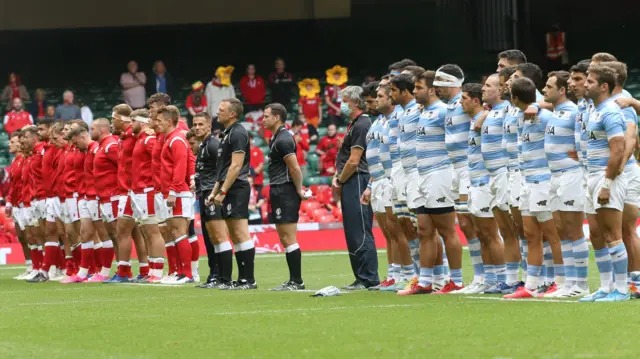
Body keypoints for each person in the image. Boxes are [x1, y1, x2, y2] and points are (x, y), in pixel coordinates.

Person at [397, 70, 463, 295]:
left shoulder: (444, 111)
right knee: (424, 229)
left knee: (447, 231)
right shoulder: (423, 112)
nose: (414, 92)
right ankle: (425, 282)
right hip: (422, 176)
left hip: (440, 175)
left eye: (418, 88)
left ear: (432, 89)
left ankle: (456, 280)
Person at [504, 77, 562, 299]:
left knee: (551, 235)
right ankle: (531, 285)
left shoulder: (545, 117)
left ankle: (560, 282)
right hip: (527, 181)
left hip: (543, 182)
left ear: (515, 98)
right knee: (530, 234)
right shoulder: (521, 117)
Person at [579, 65, 629, 302]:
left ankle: (621, 289)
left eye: (590, 81)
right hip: (591, 176)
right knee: (598, 234)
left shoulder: (610, 112)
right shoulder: (594, 111)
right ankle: (606, 287)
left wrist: (607, 183)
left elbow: (618, 150)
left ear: (604, 86)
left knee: (612, 233)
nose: (585, 85)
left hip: (605, 177)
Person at [540, 71, 590, 297]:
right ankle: (569, 282)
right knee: (560, 230)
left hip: (571, 175)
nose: (544, 90)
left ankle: (581, 283)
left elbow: (584, 138)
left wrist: (581, 154)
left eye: (549, 86)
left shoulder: (573, 112)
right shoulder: (555, 112)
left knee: (574, 230)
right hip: (555, 176)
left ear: (561, 90)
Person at [434, 64, 481, 292]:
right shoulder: (448, 108)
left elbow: (485, 109)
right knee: (465, 223)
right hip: (455, 169)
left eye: (439, 82)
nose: (436, 87)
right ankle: (479, 277)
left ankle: (484, 276)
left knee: (472, 223)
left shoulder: (463, 105)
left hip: (468, 168)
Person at [206, 98, 257, 290]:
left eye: (221, 110)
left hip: (237, 187)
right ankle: (242, 278)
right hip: (228, 187)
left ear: (232, 114)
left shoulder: (238, 133)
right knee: (235, 235)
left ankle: (249, 279)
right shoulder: (227, 133)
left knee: (240, 232)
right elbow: (223, 168)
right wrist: (214, 192)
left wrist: (224, 191)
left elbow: (236, 166)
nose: (218, 112)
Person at [332, 86, 379, 290]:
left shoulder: (362, 124)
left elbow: (354, 161)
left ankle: (368, 277)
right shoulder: (355, 124)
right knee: (353, 230)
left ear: (355, 103)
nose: (341, 104)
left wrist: (341, 180)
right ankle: (360, 276)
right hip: (352, 179)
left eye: (344, 100)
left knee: (360, 229)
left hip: (358, 178)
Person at [601, 61, 640, 296]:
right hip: (618, 169)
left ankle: (634, 280)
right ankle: (624, 280)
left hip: (625, 170)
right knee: (617, 229)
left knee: (626, 228)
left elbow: (630, 138)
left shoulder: (621, 102)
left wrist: (619, 167)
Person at [478, 73, 519, 292]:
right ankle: (507, 278)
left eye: (489, 85)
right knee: (505, 229)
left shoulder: (507, 110)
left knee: (513, 229)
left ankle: (521, 278)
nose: (483, 88)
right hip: (492, 175)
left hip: (506, 172)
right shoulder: (492, 112)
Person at [263, 103, 306, 290]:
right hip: (278, 190)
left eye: (266, 116)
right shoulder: (275, 138)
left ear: (277, 118)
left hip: (285, 190)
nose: (263, 119)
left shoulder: (283, 139)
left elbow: (295, 168)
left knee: (289, 237)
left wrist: (299, 190)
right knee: (284, 238)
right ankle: (293, 280)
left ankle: (297, 281)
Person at [156, 105, 195, 284]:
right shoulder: (169, 139)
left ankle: (187, 274)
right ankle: (180, 272)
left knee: (179, 232)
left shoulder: (177, 140)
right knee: (174, 231)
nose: (157, 124)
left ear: (169, 121)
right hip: (172, 192)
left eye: (159, 121)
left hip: (178, 193)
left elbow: (180, 167)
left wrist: (173, 191)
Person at [192, 112, 230, 288]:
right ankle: (214, 274)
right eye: (195, 124)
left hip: (211, 195)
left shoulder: (214, 145)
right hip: (204, 193)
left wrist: (218, 192)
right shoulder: (203, 145)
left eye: (201, 124)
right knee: (209, 238)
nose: (197, 127)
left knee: (217, 236)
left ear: (209, 126)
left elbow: (225, 168)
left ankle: (222, 276)